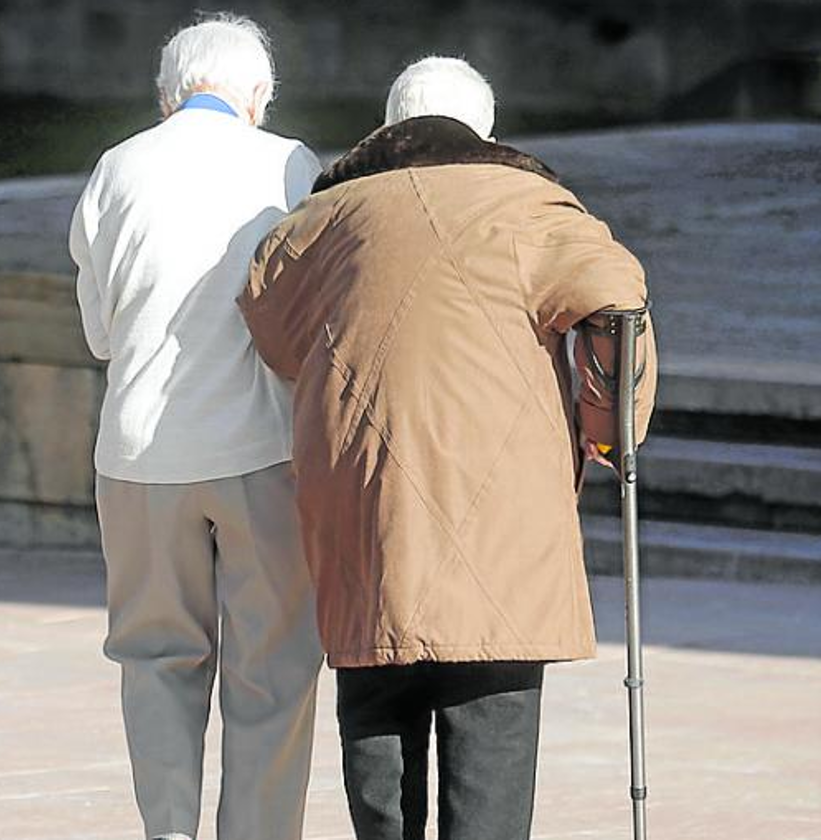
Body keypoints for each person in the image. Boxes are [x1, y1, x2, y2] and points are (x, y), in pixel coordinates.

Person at [239, 56, 658, 840]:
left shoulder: (318, 223)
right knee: (491, 735)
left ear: (388, 126)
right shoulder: (533, 207)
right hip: (505, 523)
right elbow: (615, 299)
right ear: (485, 132)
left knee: (377, 723)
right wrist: (609, 432)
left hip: (366, 509)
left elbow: (270, 323)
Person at [68, 13, 324, 840]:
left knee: (154, 660)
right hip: (261, 448)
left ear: (168, 93)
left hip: (140, 453)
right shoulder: (288, 163)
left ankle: (169, 831)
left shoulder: (118, 166)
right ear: (259, 95)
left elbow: (100, 334)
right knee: (273, 670)